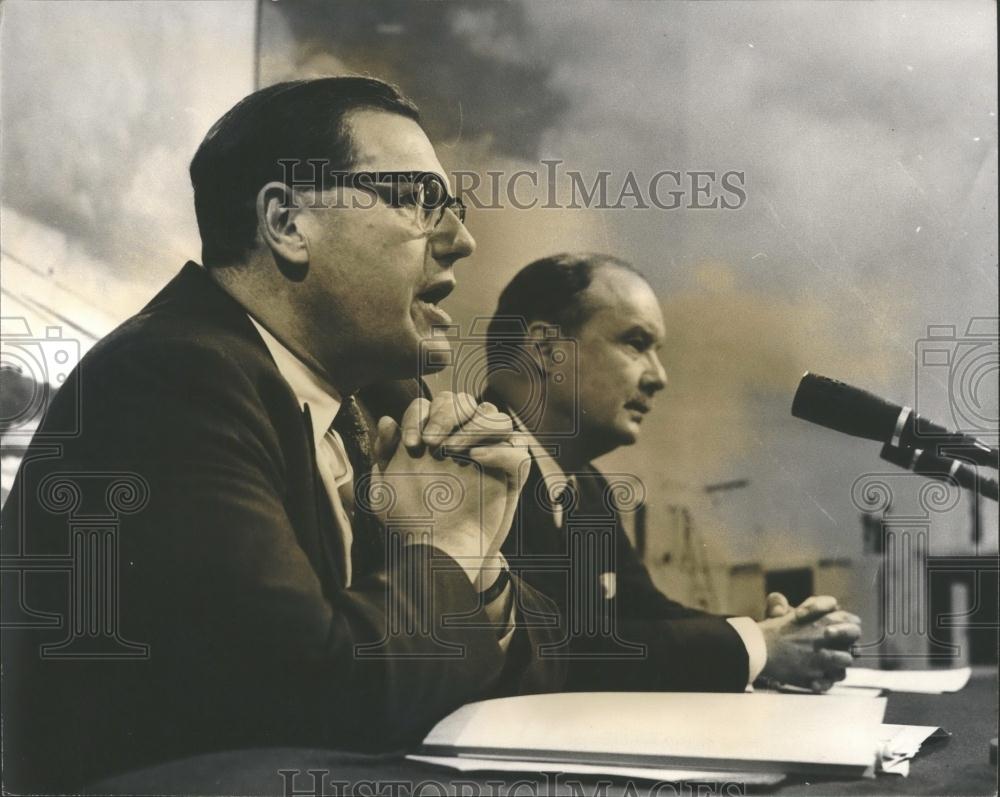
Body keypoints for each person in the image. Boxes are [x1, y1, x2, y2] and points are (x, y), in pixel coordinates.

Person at [0, 77, 564, 793]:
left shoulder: (353, 406)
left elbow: (549, 649)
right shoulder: (173, 377)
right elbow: (313, 694)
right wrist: (446, 545)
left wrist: (478, 560)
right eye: (419, 200)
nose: (461, 239)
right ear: (288, 222)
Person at [483, 252, 862, 693]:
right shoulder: (468, 467)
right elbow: (560, 648)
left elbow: (643, 613)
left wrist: (776, 637)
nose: (659, 377)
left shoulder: (581, 483)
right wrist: (756, 646)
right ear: (548, 350)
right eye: (635, 343)